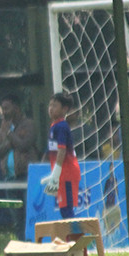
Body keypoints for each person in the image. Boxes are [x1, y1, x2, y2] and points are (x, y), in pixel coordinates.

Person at [42, 91, 81, 219]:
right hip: (61, 174)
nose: (51, 108)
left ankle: (76, 232)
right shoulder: (54, 126)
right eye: (50, 105)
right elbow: (51, 151)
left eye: (55, 105)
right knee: (64, 210)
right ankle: (72, 232)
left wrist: (56, 172)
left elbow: (62, 150)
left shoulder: (62, 126)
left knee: (67, 210)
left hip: (67, 173)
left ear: (64, 109)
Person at [0, 93, 37, 181]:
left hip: (25, 174)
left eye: (6, 109)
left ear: (16, 108)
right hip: (8, 176)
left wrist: (9, 133)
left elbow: (24, 146)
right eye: (3, 109)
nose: (4, 112)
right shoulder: (4, 127)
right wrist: (11, 143)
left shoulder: (29, 125)